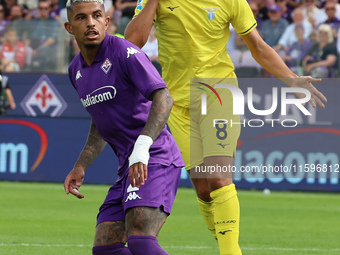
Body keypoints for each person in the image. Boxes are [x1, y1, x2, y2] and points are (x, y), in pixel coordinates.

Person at [125, 1, 327, 254]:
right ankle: (226, 245)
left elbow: (258, 46)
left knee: (218, 177)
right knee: (203, 189)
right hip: (176, 103)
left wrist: (292, 79)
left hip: (217, 92)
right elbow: (133, 42)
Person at [63, 0, 184, 255]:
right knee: (106, 249)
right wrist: (81, 165)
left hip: (155, 156)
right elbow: (100, 119)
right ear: (69, 27)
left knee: (140, 239)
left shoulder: (125, 53)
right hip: (127, 167)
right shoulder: (75, 70)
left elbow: (164, 97)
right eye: (82, 18)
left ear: (107, 21)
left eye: (97, 16)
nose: (90, 23)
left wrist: (142, 148)